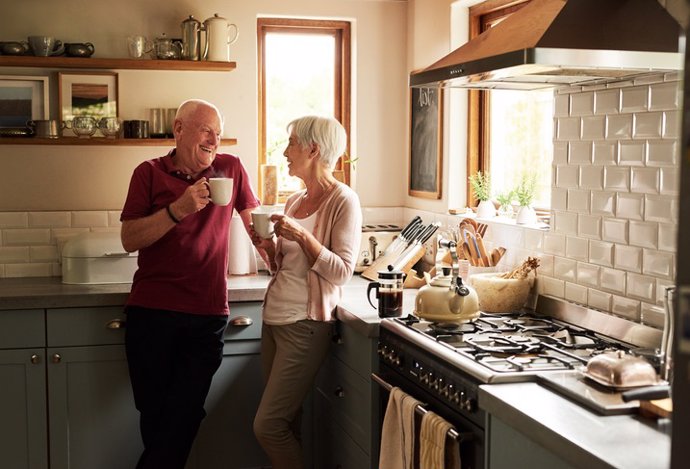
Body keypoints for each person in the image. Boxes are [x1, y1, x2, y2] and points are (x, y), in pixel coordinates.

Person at [120, 99, 260, 469]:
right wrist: (177, 210)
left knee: (183, 415)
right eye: (205, 129)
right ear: (179, 129)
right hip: (151, 313)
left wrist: (278, 249)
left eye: (218, 131)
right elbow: (129, 239)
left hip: (206, 315)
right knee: (156, 418)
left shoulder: (230, 169)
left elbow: (254, 225)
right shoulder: (148, 173)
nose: (215, 138)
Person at [251, 115, 362, 469]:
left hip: (305, 325)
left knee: (267, 426)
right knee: (286, 425)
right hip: (274, 321)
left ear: (313, 150)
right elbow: (284, 269)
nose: (285, 152)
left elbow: (342, 272)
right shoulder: (294, 202)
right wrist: (267, 249)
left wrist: (301, 235)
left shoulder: (344, 201)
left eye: (292, 144)